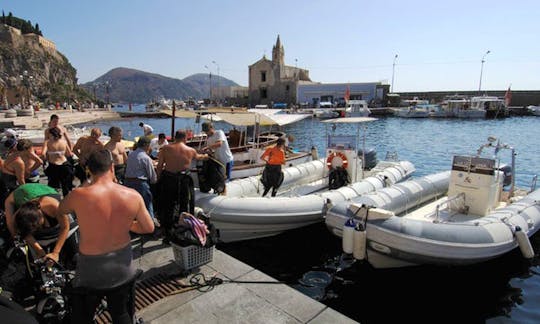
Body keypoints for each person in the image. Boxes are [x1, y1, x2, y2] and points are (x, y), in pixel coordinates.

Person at [57, 149, 154, 323]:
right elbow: (148, 227)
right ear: (112, 167)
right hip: (122, 266)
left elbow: (61, 209)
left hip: (90, 269)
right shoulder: (132, 195)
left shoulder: (79, 195)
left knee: (83, 315)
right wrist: (127, 223)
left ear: (89, 170)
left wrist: (86, 183)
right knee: (121, 313)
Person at [156, 130, 208, 243]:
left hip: (169, 179)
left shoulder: (165, 149)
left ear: (175, 137)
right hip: (184, 180)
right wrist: (206, 156)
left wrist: (158, 178)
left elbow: (159, 166)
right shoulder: (190, 150)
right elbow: (199, 157)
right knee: (184, 206)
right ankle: (182, 232)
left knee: (168, 206)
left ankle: (168, 233)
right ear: (185, 138)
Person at [4, 183, 73, 264]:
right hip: (18, 195)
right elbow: (24, 233)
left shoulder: (55, 207)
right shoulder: (17, 216)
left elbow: (65, 227)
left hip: (45, 191)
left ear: (41, 215)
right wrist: (40, 252)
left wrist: (55, 253)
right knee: (12, 229)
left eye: (39, 226)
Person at [124, 137, 158, 225]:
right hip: (139, 183)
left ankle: (131, 224)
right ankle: (150, 225)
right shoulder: (145, 158)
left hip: (128, 182)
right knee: (147, 204)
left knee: (131, 205)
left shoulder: (131, 154)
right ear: (146, 145)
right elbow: (152, 175)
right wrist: (155, 181)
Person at [42, 127, 74, 196]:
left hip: (53, 165)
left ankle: (54, 203)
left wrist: (46, 159)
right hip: (64, 165)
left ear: (51, 135)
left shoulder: (47, 142)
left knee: (53, 188)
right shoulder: (64, 142)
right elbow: (69, 154)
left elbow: (43, 154)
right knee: (65, 187)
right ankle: (66, 203)